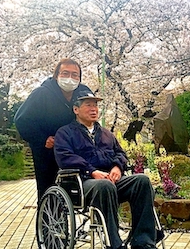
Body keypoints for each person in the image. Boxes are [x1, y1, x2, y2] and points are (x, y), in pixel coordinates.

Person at [54, 90, 158, 249]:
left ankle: (143, 242)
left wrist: (117, 166)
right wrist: (91, 171)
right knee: (104, 185)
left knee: (141, 181)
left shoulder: (107, 134)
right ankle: (115, 245)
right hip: (83, 182)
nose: (94, 109)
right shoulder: (65, 133)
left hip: (110, 180)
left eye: (95, 105)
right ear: (76, 110)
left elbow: (120, 153)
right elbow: (65, 157)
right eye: (88, 105)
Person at [14, 58, 93, 202]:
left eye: (75, 75)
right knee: (48, 192)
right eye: (65, 73)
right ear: (56, 75)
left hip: (75, 148)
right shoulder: (41, 94)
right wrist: (43, 139)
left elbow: (91, 113)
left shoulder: (84, 93)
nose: (70, 78)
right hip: (48, 150)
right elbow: (22, 120)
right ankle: (48, 222)